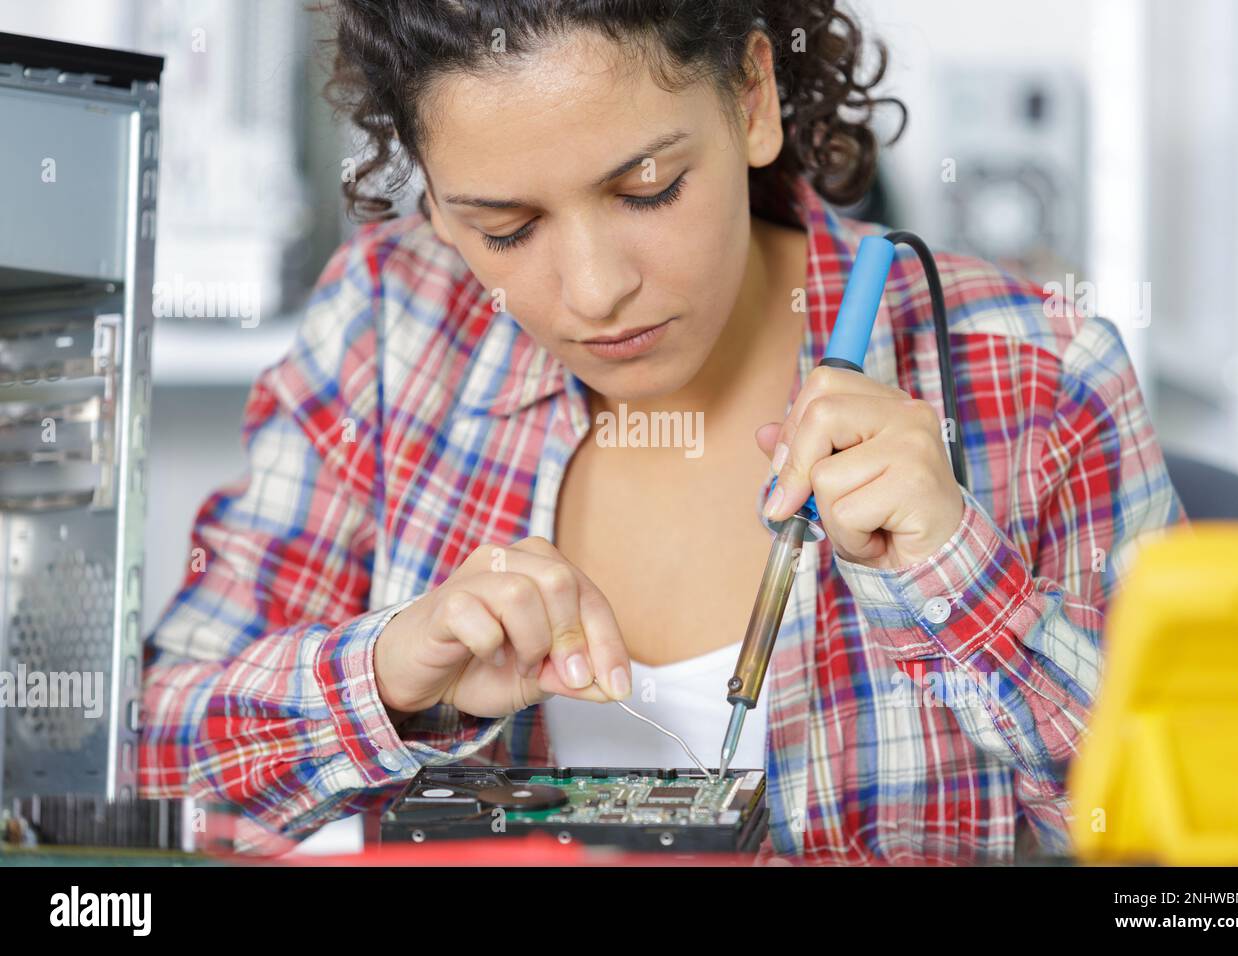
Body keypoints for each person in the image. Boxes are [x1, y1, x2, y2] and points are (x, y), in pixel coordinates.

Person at [140, 0, 1184, 864]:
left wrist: (963, 577)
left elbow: (1199, 847)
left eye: (648, 188)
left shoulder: (1038, 370)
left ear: (753, 97)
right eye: (505, 228)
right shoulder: (386, 326)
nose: (596, 291)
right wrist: (387, 676)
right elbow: (149, 759)